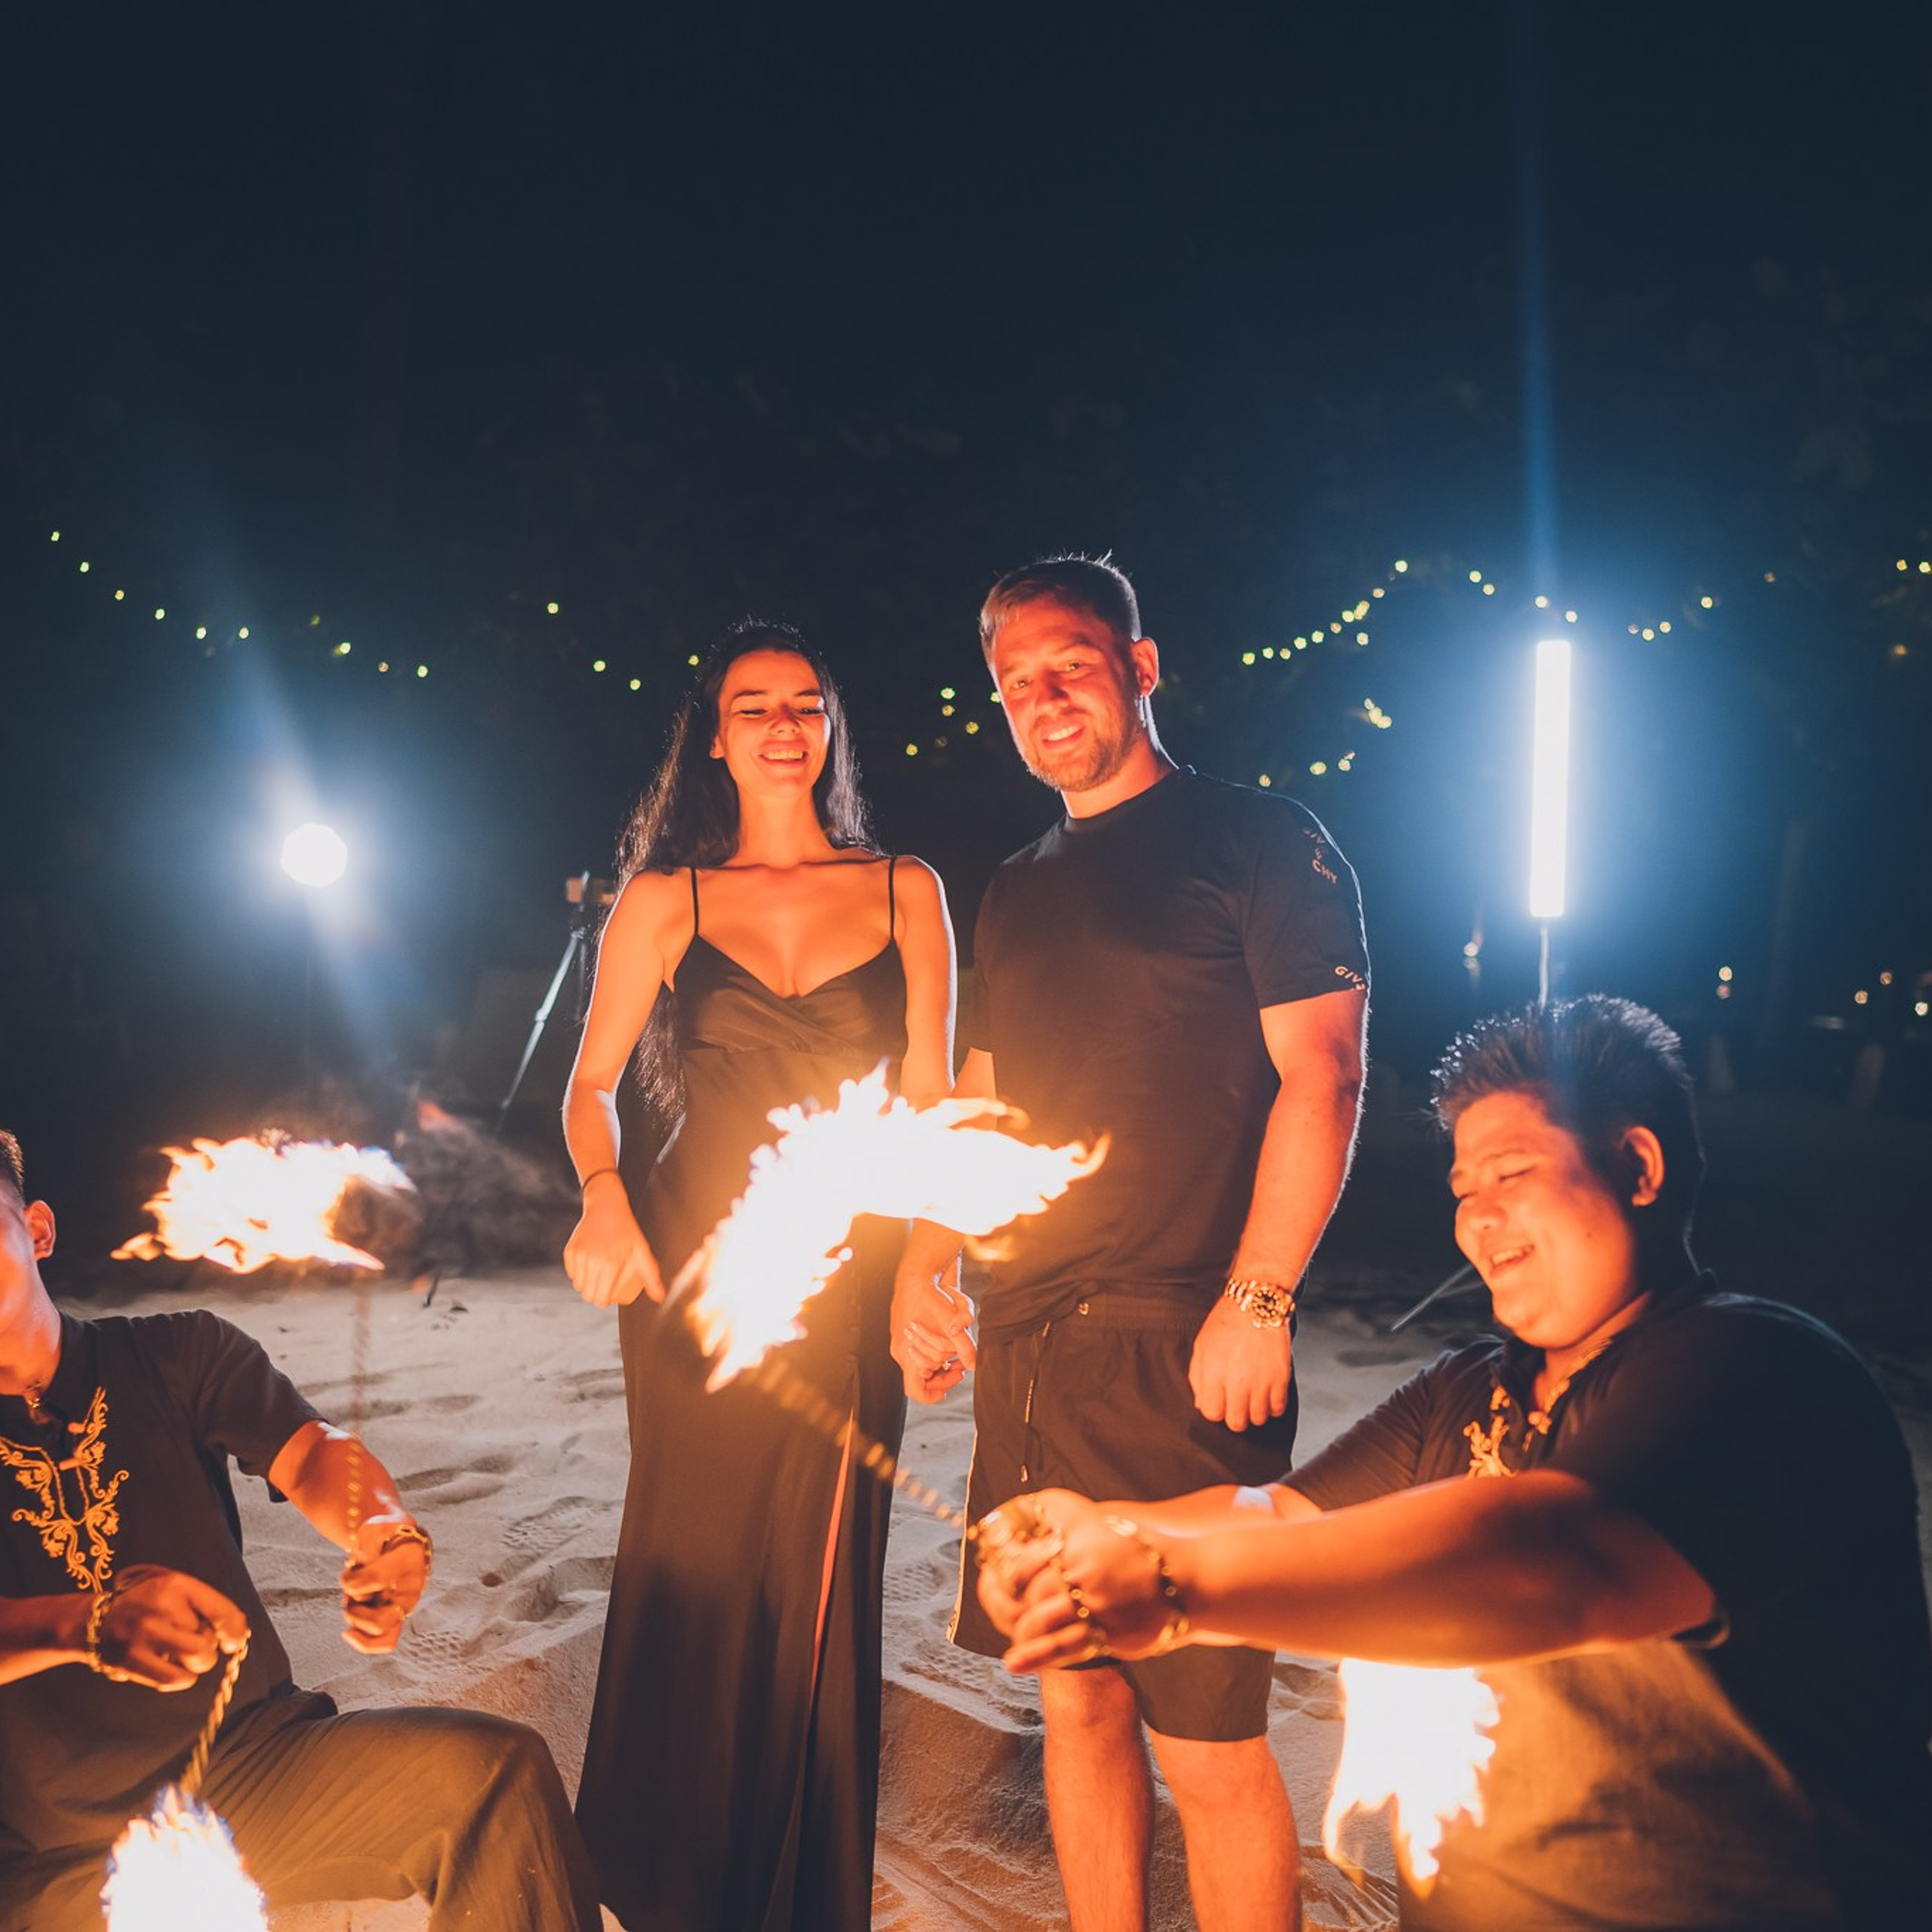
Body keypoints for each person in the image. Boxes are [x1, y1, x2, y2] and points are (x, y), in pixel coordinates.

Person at [978, 995, 1932, 1931]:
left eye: (1511, 1171)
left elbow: (1557, 1563)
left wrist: (1175, 1586)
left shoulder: (1761, 1372)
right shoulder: (1461, 1390)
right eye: (1462, 1190)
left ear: (1638, 1166)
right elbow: (1277, 1515)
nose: (1478, 1215)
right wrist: (1097, 1528)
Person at [891, 555, 1370, 1932]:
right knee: (1078, 1701)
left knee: (1206, 1742)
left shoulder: (1262, 840)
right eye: (1016, 683)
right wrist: (927, 1260)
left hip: (1185, 1338)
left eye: (1073, 667)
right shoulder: (1013, 889)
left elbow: (1326, 1075)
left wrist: (1260, 1297)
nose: (1045, 700)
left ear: (1141, 668)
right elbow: (980, 1104)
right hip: (1030, 1349)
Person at [562, 618, 955, 1929]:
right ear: (716, 739)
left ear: (829, 728)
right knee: (693, 1557)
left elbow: (935, 1102)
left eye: (805, 704)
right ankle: (666, 1889)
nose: (784, 726)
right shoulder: (666, 899)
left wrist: (928, 1272)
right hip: (694, 1268)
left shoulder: (906, 888)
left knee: (819, 1576)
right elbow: (591, 1086)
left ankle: (793, 1898)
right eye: (755, 707)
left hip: (851, 1268)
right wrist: (605, 1197)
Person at [0, 1128, 602, 1932]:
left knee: (496, 1775)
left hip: (252, 1767)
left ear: (37, 1228)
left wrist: (383, 1529)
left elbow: (312, 1451)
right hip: (51, 1853)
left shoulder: (175, 1352)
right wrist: (84, 1624)